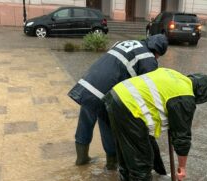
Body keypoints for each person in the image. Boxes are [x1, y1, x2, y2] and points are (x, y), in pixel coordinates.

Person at [103, 67, 207, 181]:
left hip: (115, 96)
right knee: (142, 162)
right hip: (130, 107)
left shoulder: (175, 75)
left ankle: (124, 180)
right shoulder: (184, 97)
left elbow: (160, 98)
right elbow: (182, 138)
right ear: (200, 94)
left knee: (125, 147)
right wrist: (182, 167)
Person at [68, 34, 168, 169]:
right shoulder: (148, 59)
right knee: (108, 126)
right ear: (158, 51)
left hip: (87, 84)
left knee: (85, 122)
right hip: (105, 93)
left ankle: (81, 159)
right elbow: (147, 89)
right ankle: (111, 163)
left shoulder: (126, 42)